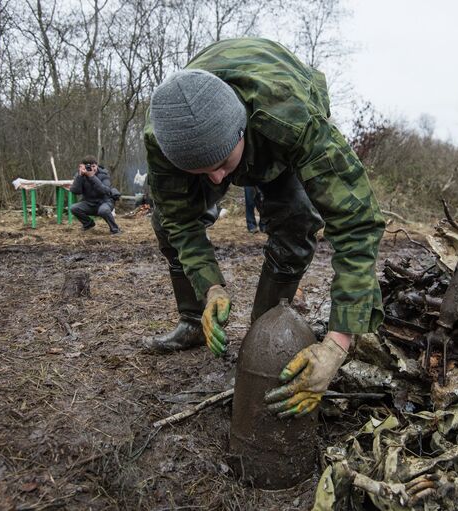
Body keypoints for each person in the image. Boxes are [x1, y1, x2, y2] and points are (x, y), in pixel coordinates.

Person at [142, 38, 385, 418]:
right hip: (221, 134)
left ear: (241, 132)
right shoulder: (163, 136)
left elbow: (356, 221)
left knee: (297, 220)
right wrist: (211, 286)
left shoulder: (290, 118)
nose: (218, 179)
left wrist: (338, 343)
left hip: (275, 124)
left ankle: (266, 334)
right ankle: (194, 320)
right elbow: (180, 221)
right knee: (164, 222)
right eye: (202, 172)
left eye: (222, 164)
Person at [69, 156, 122, 234]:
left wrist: (92, 177)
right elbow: (75, 191)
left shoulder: (104, 174)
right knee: (74, 208)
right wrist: (79, 176)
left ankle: (115, 230)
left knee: (103, 210)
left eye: (93, 166)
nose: (91, 169)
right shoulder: (80, 175)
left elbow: (104, 191)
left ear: (97, 165)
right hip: (89, 203)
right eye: (88, 167)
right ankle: (88, 224)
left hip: (105, 202)